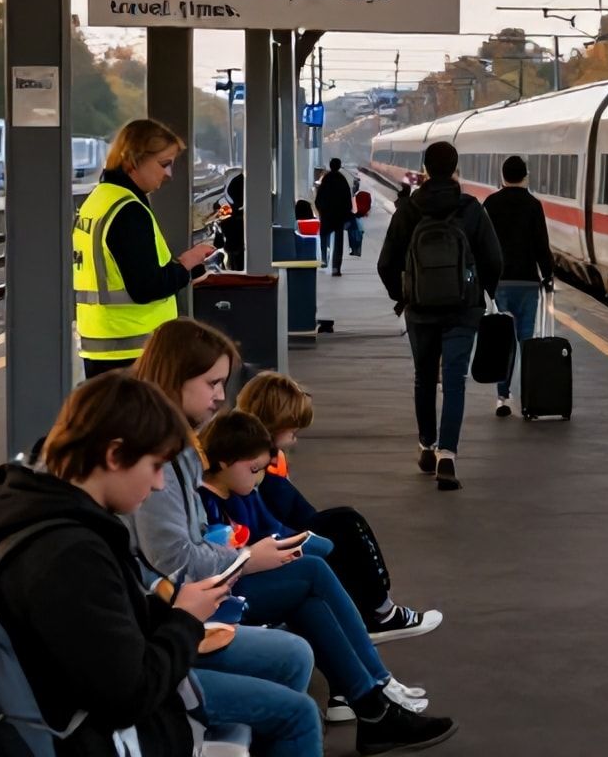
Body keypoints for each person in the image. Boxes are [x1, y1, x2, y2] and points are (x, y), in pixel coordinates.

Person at [128, 319, 454, 749]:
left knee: (311, 574)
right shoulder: (158, 456)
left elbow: (188, 543)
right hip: (180, 606)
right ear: (176, 378)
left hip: (189, 594)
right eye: (212, 383)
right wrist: (245, 557)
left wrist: (239, 551)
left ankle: (373, 702)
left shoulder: (178, 446)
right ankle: (375, 698)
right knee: (312, 575)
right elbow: (175, 560)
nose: (221, 396)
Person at [0, 373, 218, 757]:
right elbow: (131, 695)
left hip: (86, 721)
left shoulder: (40, 517)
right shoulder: (68, 557)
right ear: (114, 455)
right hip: (102, 740)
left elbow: (102, 631)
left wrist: (168, 612)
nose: (160, 484)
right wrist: (184, 623)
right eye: (155, 466)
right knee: (290, 709)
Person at [239, 371, 441, 642]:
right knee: (344, 524)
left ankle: (379, 610)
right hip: (275, 545)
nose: (298, 431)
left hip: (284, 535)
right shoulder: (256, 472)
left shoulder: (268, 465)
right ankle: (381, 613)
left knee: (345, 523)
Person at [378, 141, 502, 491]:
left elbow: (386, 263)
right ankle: (448, 454)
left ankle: (426, 445)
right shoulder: (471, 209)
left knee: (424, 377)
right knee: (454, 381)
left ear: (425, 169)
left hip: (420, 310)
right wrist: (482, 293)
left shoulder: (409, 209)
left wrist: (403, 297)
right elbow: (494, 259)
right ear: (456, 167)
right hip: (463, 309)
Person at [73, 119, 216, 377]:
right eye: (164, 164)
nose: (169, 174)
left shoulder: (98, 201)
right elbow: (146, 287)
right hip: (135, 348)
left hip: (102, 342)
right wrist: (187, 263)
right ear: (133, 160)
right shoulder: (128, 211)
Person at [482, 155, 554, 418]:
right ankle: (530, 398)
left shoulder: (491, 203)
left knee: (504, 341)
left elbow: (484, 245)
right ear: (526, 176)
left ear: (503, 177)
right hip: (527, 283)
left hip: (500, 283)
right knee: (526, 340)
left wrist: (486, 280)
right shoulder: (534, 205)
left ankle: (502, 398)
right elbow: (541, 245)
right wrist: (547, 276)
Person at [315, 157, 355, 276]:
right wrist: (346, 215)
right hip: (339, 217)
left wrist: (321, 211)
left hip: (327, 215)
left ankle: (323, 259)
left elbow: (318, 199)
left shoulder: (326, 179)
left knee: (324, 237)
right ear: (339, 166)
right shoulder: (342, 180)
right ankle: (336, 268)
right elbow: (348, 201)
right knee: (338, 243)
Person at [212, 172, 245, 271]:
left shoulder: (223, 205)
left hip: (235, 248)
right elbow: (219, 242)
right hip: (235, 249)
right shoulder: (224, 206)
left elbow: (218, 242)